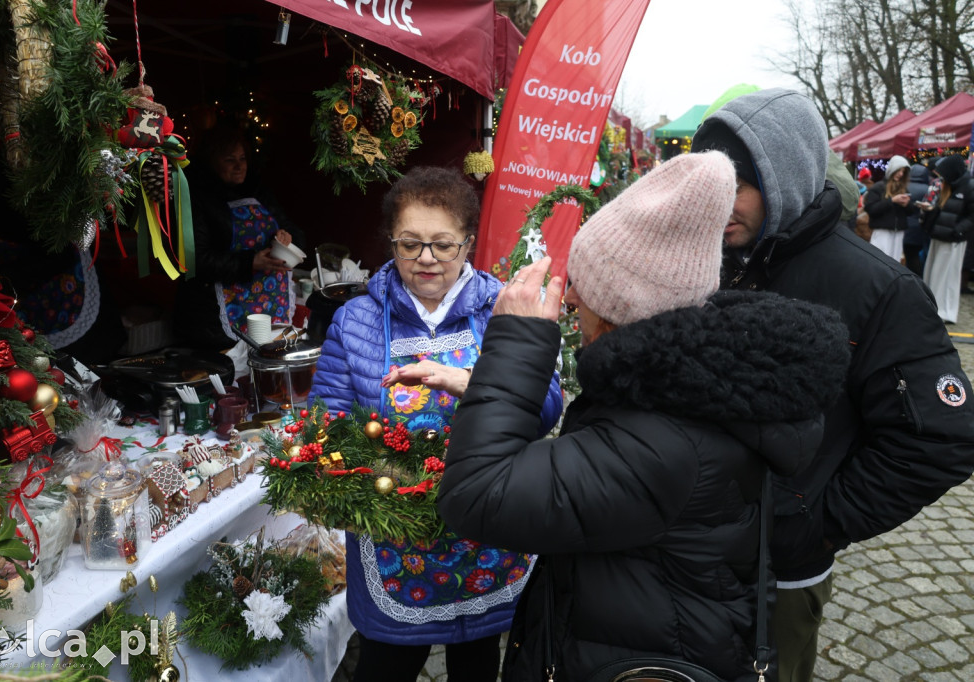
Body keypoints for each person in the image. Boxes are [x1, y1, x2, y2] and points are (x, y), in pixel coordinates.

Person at [437, 152, 852, 682]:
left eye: (584, 284)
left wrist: (516, 345)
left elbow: (476, 496)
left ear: (619, 307)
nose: (574, 298)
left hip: (632, 659)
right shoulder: (692, 387)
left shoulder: (662, 437)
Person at [691, 88, 974, 682]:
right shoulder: (707, 257)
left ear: (784, 176)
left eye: (738, 184)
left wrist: (815, 523)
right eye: (710, 183)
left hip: (781, 574)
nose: (720, 204)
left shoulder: (877, 288)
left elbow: (939, 438)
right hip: (686, 555)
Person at [310, 166, 564, 682]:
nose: (425, 259)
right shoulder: (356, 319)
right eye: (410, 244)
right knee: (387, 664)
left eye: (442, 245)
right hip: (392, 539)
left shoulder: (505, 308)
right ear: (392, 242)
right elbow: (326, 421)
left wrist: (469, 381)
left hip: (486, 533)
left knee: (476, 663)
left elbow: (547, 410)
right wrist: (366, 477)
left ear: (468, 243)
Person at [173, 124, 304, 350]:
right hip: (216, 319)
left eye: (242, 159)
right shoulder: (198, 199)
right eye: (229, 160)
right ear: (212, 161)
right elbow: (195, 260)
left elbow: (295, 232)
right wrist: (249, 262)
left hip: (272, 305)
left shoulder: (258, 190)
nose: (239, 167)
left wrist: (287, 237)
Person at [919, 154, 974, 324]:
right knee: (936, 273)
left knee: (946, 275)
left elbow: (971, 216)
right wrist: (932, 211)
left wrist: (957, 231)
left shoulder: (968, 187)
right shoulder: (952, 185)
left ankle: (945, 310)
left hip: (952, 239)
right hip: (941, 235)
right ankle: (937, 308)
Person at [863, 154, 915, 261]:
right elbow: (871, 209)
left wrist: (907, 205)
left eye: (903, 172)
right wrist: (892, 201)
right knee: (879, 261)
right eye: (898, 170)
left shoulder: (904, 189)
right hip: (882, 232)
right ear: (892, 169)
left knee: (895, 263)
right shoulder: (878, 187)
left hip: (898, 233)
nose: (901, 174)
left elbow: (911, 211)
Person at [903, 162, 931, 276]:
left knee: (909, 256)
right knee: (916, 256)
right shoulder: (928, 189)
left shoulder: (904, 186)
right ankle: (917, 278)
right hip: (921, 227)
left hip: (904, 226)